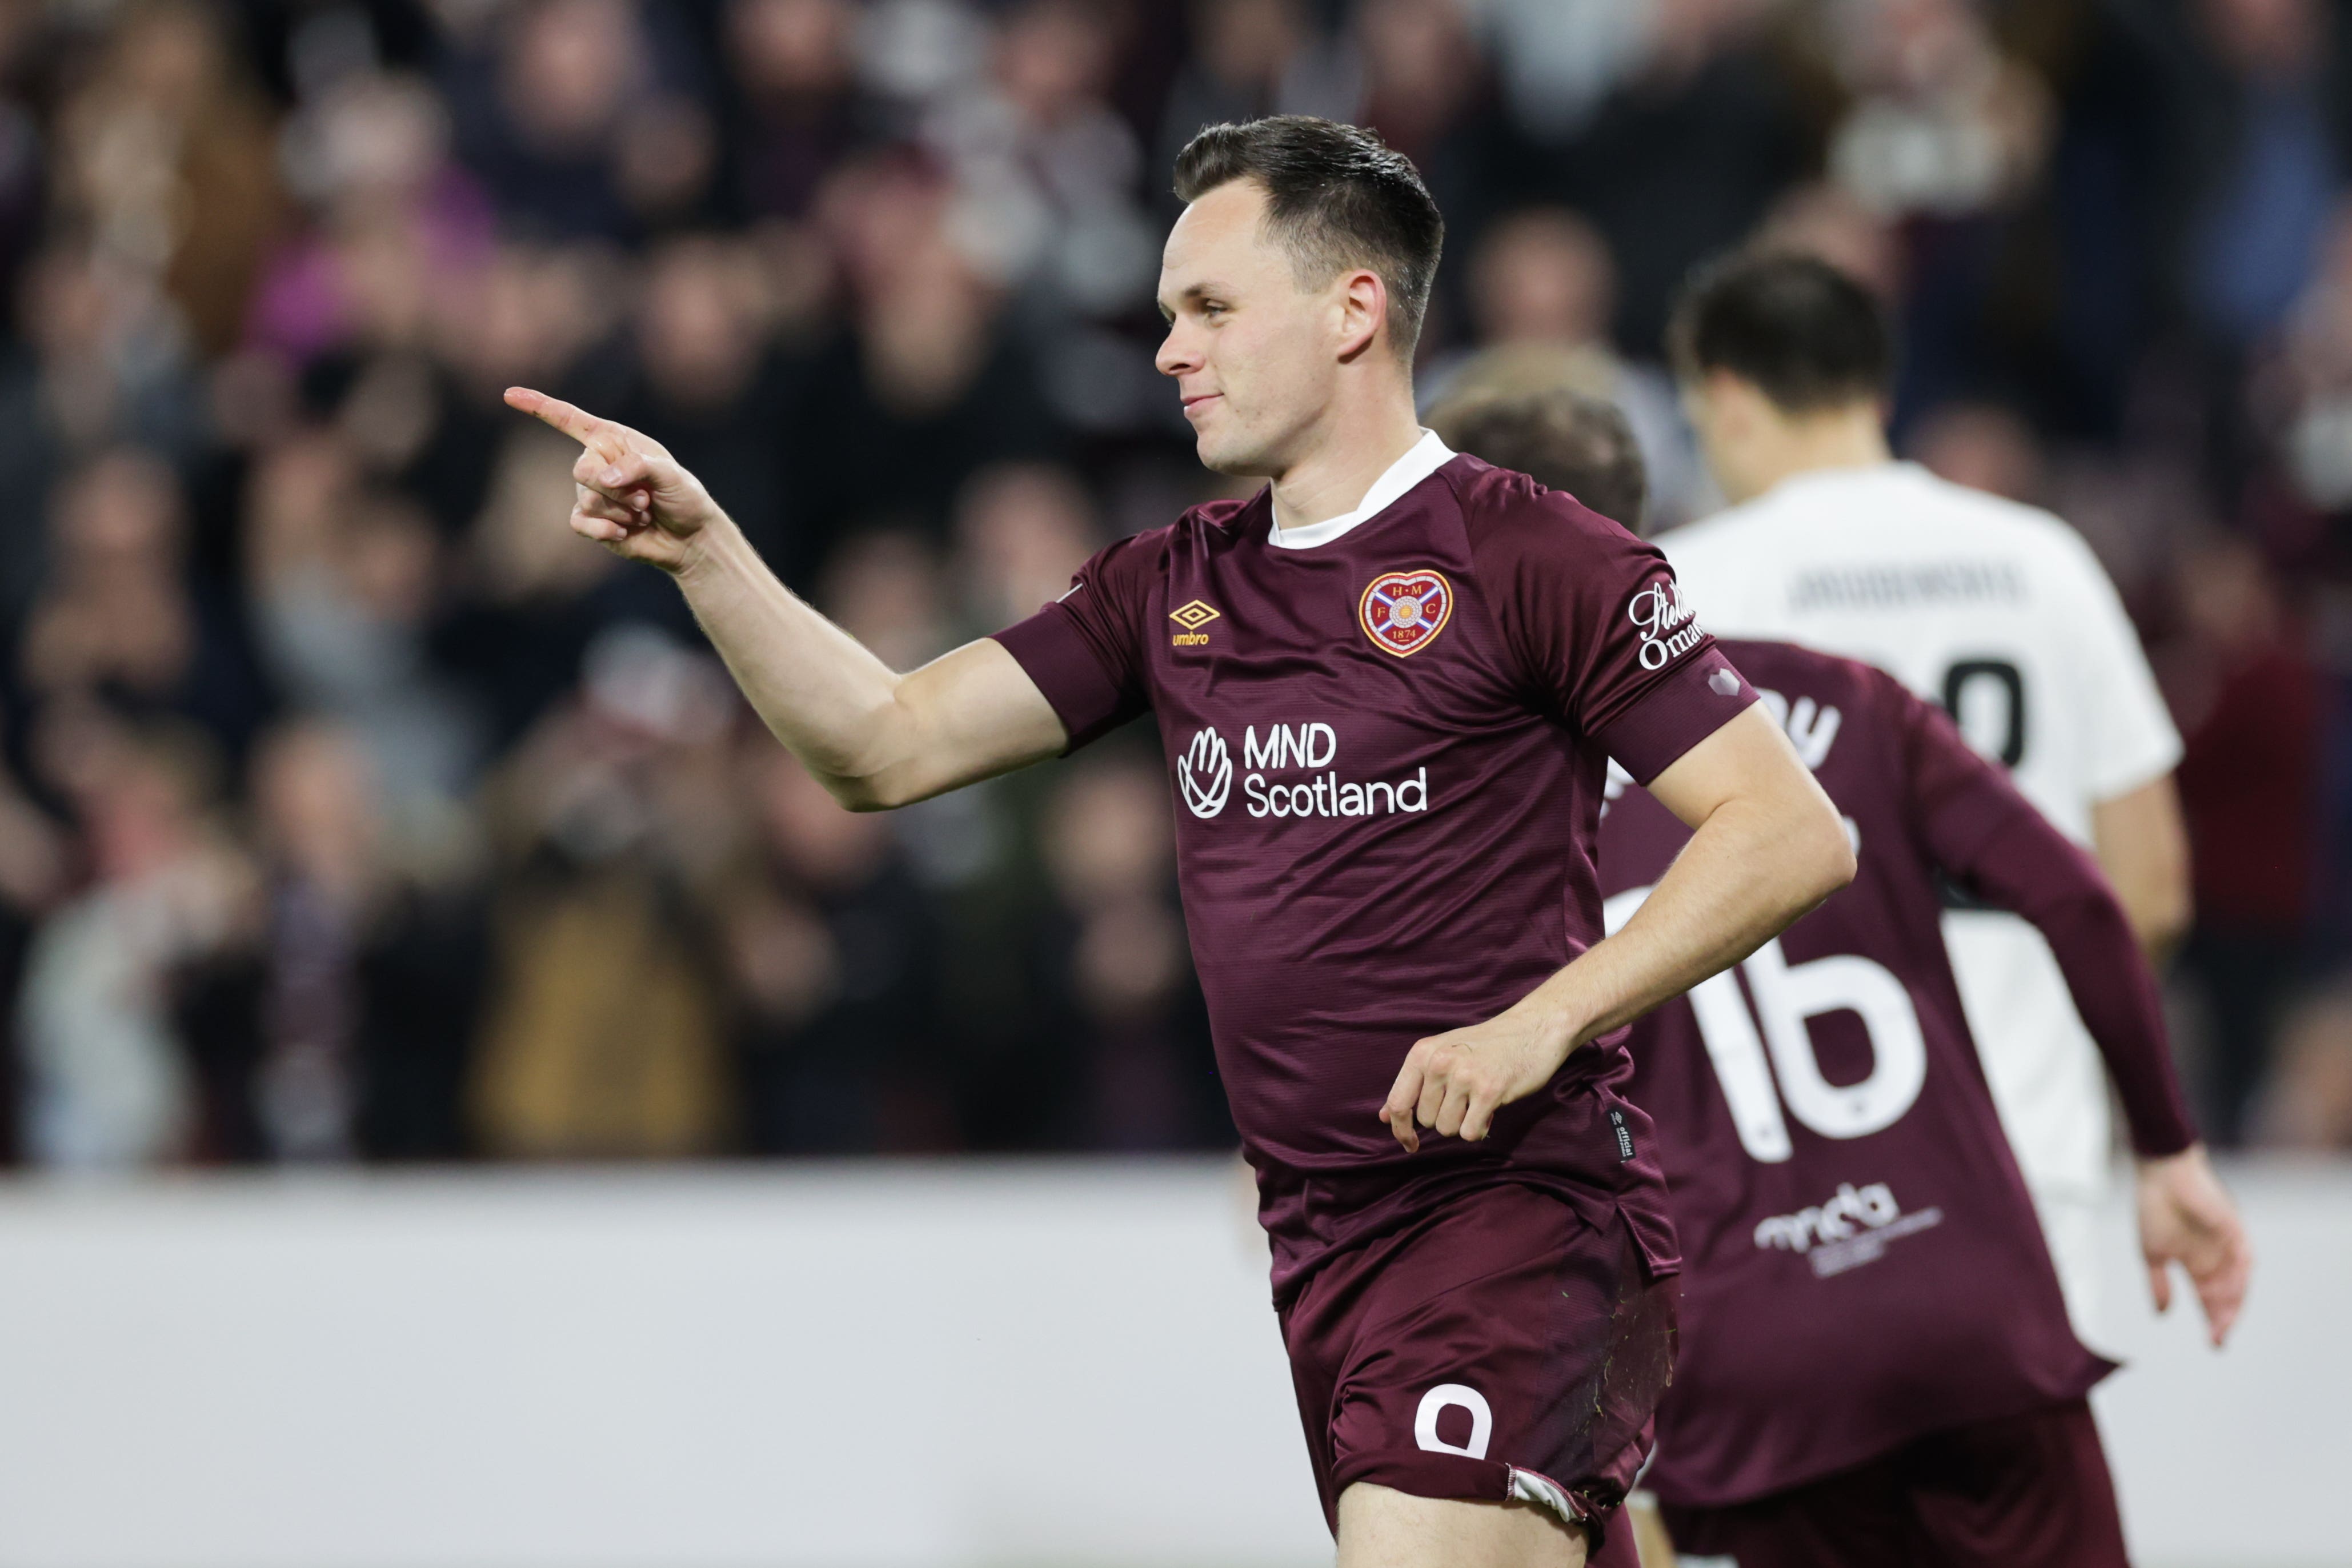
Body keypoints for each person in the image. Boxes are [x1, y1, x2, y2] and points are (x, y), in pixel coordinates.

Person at [505, 116, 1855, 1568]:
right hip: (1319, 1243)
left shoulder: (1538, 557)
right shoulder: (1172, 584)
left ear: (1354, 311)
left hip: (1513, 1215)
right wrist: (708, 550)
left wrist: (1538, 1026)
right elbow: (884, 743)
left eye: (1209, 307)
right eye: (1165, 315)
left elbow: (1789, 831)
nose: (1168, 350)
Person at [1439, 382, 2250, 1567]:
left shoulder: (1468, 822)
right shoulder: (1819, 697)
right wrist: (2165, 1142)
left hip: (1747, 1358)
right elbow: (2086, 896)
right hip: (1961, 1294)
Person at [1660, 251, 2194, 1342]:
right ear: (1876, 387)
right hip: (2024, 1139)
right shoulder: (2042, 562)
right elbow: (2150, 887)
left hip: (1794, 1165)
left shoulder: (1683, 583)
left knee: (1787, 1512)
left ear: (1723, 397)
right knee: (2025, 1506)